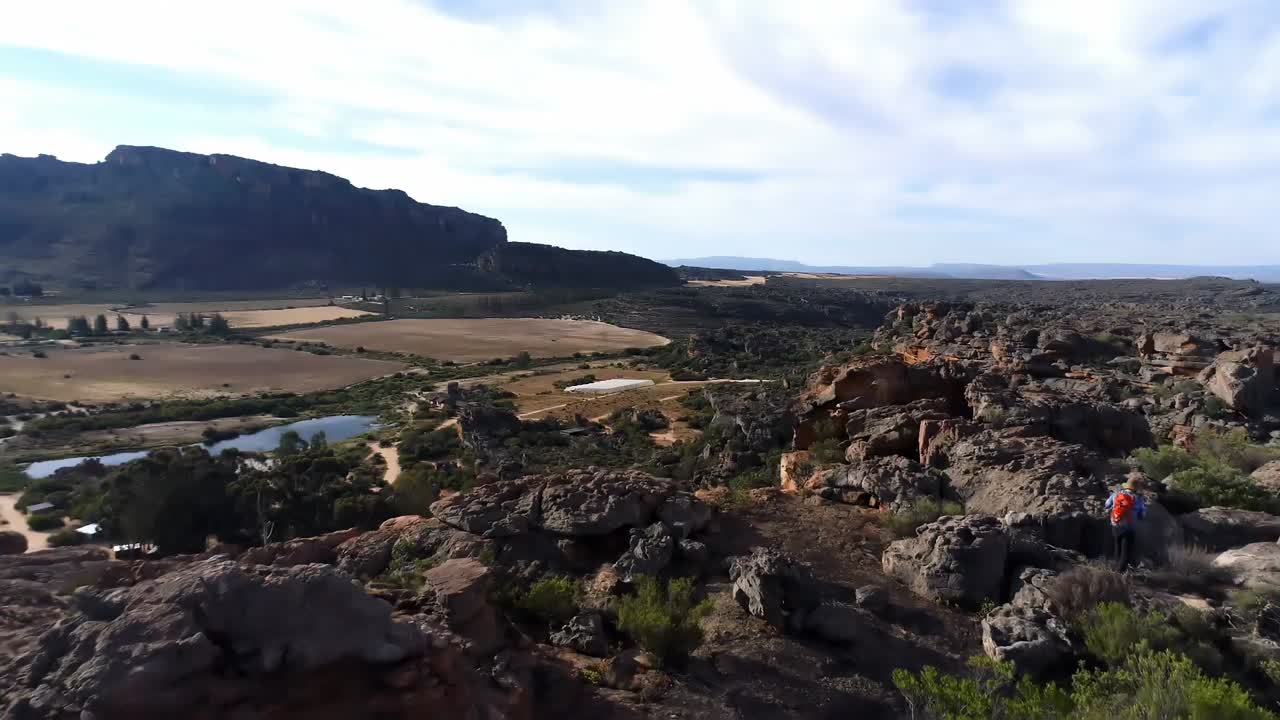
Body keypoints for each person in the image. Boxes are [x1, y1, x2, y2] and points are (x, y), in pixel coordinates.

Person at [1105, 474, 1148, 571]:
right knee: (1126, 554)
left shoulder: (1116, 494)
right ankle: (1118, 575)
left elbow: (1107, 505)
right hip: (1129, 528)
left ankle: (1113, 572)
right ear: (1136, 488)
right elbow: (1142, 516)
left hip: (1115, 526)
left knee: (1117, 550)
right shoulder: (1138, 499)